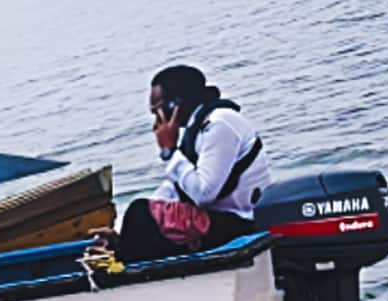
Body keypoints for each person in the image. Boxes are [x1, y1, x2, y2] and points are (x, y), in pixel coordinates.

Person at [93, 65, 273, 263]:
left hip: (239, 223)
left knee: (140, 213)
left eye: (157, 111)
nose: (155, 121)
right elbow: (173, 189)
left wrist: (170, 152)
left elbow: (204, 194)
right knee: (141, 215)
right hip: (217, 220)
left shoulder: (220, 125)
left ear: (175, 105)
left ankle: (124, 276)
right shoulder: (196, 129)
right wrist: (121, 233)